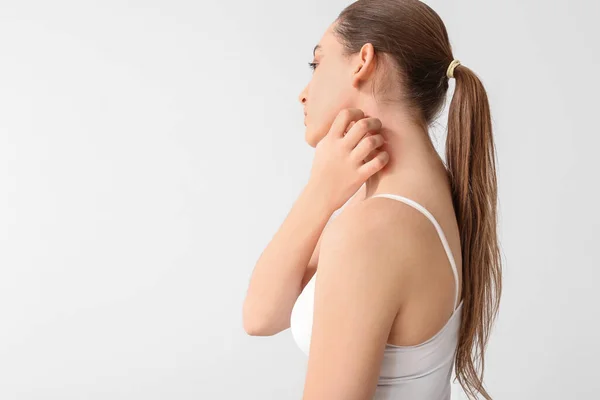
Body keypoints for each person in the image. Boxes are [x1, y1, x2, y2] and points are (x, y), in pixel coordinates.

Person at [243, 1, 502, 399]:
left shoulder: (375, 229)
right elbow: (261, 315)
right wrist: (320, 192)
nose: (303, 94)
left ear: (362, 61)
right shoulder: (418, 199)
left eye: (317, 64)